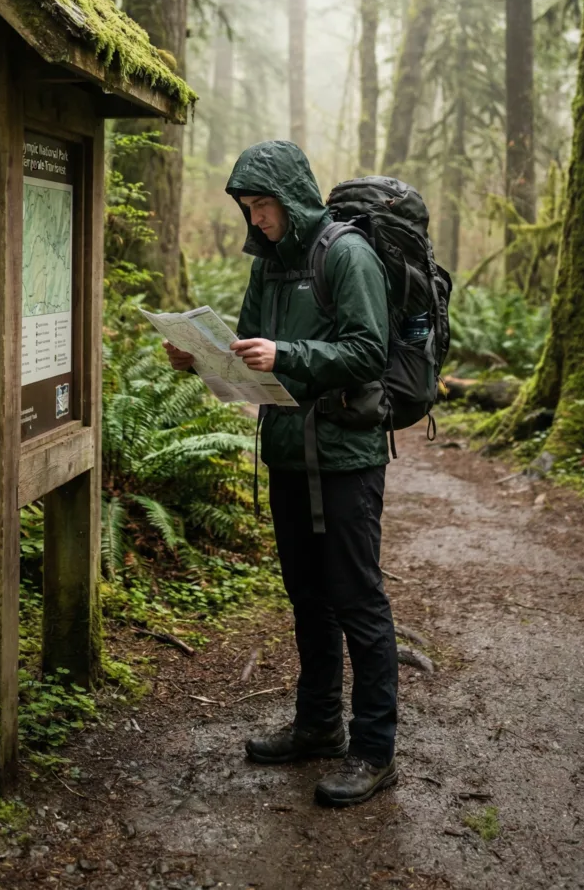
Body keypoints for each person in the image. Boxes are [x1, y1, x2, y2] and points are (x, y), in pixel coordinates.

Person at [164, 140, 399, 808]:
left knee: (357, 599)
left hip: (347, 457)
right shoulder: (268, 266)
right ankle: (319, 725)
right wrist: (202, 361)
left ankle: (375, 751)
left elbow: (367, 351)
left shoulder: (345, 254)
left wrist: (288, 350)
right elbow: (247, 357)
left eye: (261, 204)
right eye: (246, 206)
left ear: (291, 197)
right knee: (307, 596)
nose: (254, 218)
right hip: (289, 451)